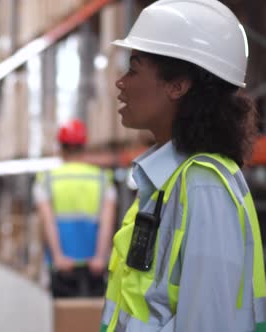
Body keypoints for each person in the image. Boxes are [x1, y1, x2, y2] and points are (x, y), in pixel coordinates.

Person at [101, 0, 266, 331]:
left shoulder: (204, 187)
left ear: (177, 85)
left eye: (134, 68)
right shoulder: (169, 181)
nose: (121, 82)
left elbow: (211, 322)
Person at [33, 119, 116, 298]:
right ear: (84, 147)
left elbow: (48, 223)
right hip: (93, 265)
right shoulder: (102, 179)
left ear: (60, 148)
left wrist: (58, 257)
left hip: (63, 265)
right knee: (91, 320)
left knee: (66, 319)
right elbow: (107, 223)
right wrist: (100, 257)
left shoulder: (47, 179)